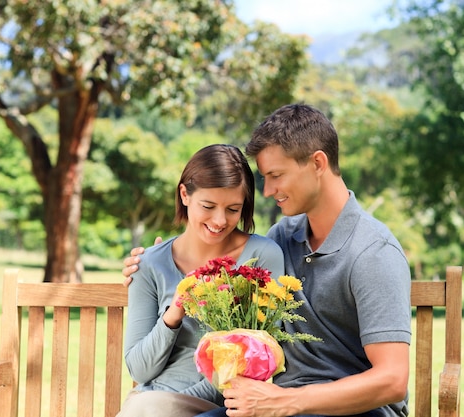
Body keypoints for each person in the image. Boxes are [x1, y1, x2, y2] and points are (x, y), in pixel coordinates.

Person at [123, 104, 412, 417]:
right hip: (277, 405)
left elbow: (392, 381)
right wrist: (156, 259)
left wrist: (288, 401)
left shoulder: (373, 252)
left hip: (351, 411)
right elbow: (224, 249)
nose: (268, 190)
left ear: (317, 163)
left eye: (276, 175)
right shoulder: (284, 237)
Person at [117, 144, 285, 417]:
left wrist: (172, 403)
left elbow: (259, 357)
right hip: (149, 403)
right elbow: (139, 370)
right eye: (208, 206)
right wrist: (174, 313)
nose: (220, 220)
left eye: (233, 209)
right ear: (184, 194)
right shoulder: (149, 264)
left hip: (221, 405)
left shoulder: (261, 258)